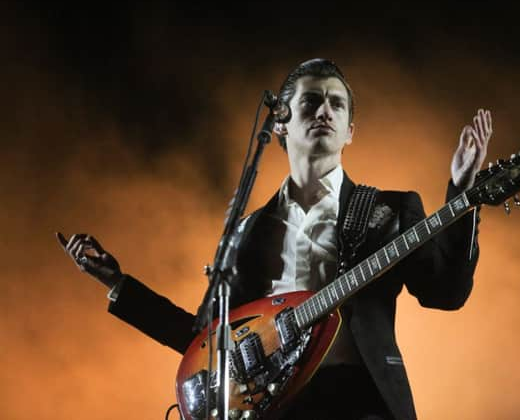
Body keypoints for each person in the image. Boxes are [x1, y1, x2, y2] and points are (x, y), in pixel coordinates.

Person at [57, 58, 491, 420]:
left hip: (360, 400)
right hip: (275, 406)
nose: (325, 111)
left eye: (337, 105)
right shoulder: (247, 230)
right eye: (311, 101)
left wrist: (463, 192)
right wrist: (118, 283)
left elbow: (447, 293)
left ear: (350, 131)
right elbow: (204, 339)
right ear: (281, 123)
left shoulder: (390, 210)